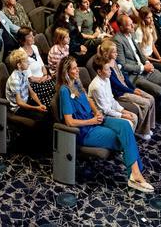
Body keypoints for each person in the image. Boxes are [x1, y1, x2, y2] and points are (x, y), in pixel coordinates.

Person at [56, 56, 153, 193]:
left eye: (77, 66)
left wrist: (96, 112)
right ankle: (135, 175)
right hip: (85, 131)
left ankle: (135, 174)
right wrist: (92, 121)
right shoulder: (64, 91)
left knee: (126, 126)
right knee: (123, 138)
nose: (77, 70)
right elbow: (69, 122)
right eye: (74, 68)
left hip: (94, 120)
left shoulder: (76, 83)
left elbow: (88, 99)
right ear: (66, 72)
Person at [114, 14, 161, 118]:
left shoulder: (132, 34)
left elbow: (140, 53)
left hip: (145, 68)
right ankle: (160, 112)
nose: (133, 26)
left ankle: (159, 104)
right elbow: (123, 65)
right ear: (121, 27)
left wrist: (147, 63)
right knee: (159, 91)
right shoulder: (118, 40)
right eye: (129, 25)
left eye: (132, 24)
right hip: (134, 75)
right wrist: (143, 67)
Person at [88, 55, 148, 140]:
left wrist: (123, 110)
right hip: (102, 116)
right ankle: (123, 146)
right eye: (107, 69)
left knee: (133, 116)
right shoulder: (96, 87)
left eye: (109, 68)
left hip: (110, 110)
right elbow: (106, 110)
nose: (110, 71)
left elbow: (112, 100)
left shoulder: (106, 79)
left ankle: (126, 143)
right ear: (99, 72)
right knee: (129, 122)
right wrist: (122, 115)